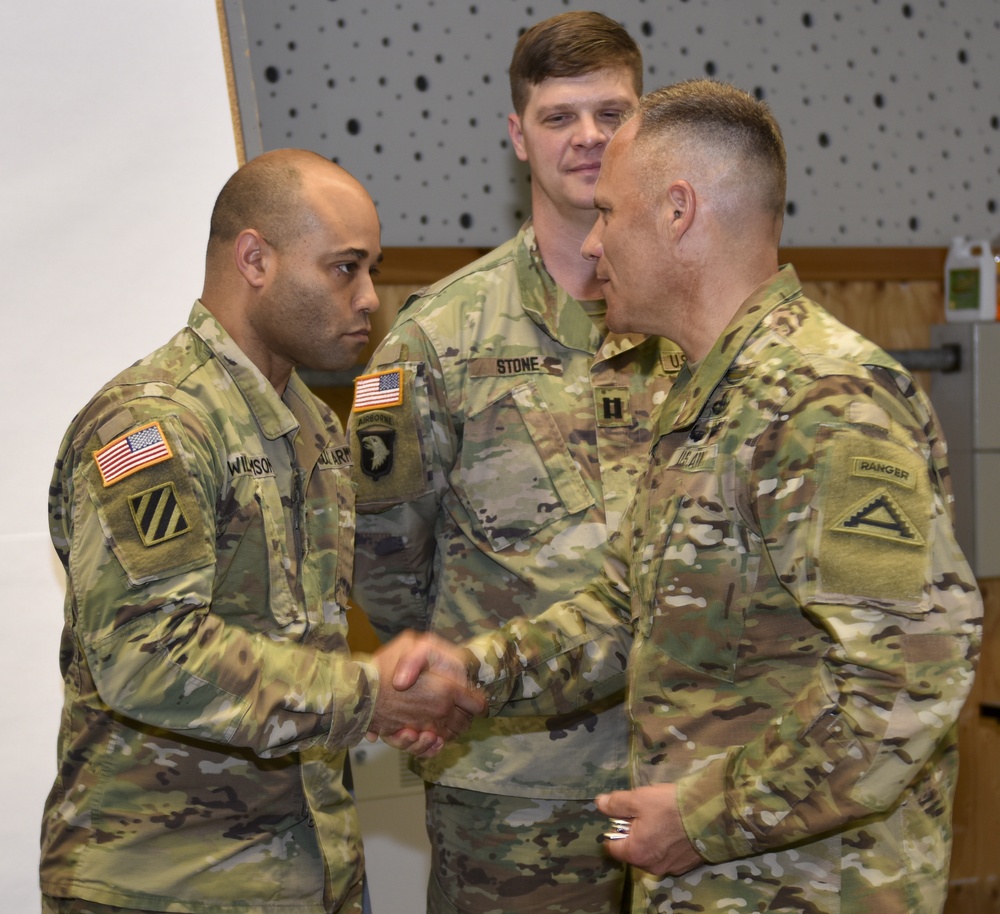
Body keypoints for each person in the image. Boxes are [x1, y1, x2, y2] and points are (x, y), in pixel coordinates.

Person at [405, 79, 983, 913]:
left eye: (609, 212)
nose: (594, 245)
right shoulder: (701, 392)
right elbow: (633, 605)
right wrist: (475, 675)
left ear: (678, 212)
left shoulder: (825, 404)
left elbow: (907, 673)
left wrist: (704, 819)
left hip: (812, 888)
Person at [40, 149, 482, 914]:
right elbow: (146, 653)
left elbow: (300, 649)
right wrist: (366, 698)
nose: (370, 298)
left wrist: (387, 693)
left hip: (312, 872)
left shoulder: (314, 428)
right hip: (168, 885)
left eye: (372, 269)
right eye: (345, 268)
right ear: (255, 259)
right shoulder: (157, 423)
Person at [347, 11, 684, 914]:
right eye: (559, 116)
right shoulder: (438, 336)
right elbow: (383, 565)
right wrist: (458, 682)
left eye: (611, 113)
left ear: (644, 126)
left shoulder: (697, 323)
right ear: (517, 136)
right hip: (515, 785)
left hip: (690, 776)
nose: (588, 138)